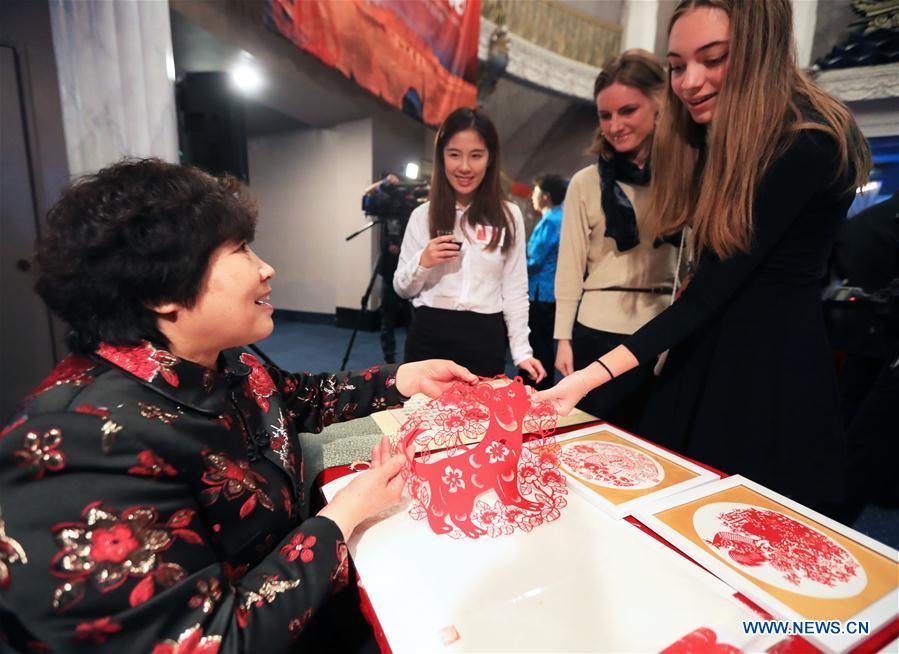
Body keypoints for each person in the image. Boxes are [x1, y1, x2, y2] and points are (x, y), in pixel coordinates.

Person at [0, 159, 477, 652]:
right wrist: (345, 514)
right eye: (241, 250)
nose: (266, 268)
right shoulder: (81, 444)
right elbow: (211, 641)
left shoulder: (223, 361)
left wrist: (404, 378)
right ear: (163, 291)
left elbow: (300, 398)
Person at [538, 0, 871, 521]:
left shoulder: (805, 142)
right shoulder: (720, 139)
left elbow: (707, 294)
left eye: (713, 59)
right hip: (702, 352)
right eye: (676, 66)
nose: (690, 82)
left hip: (762, 377)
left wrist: (585, 378)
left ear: (761, 46)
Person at [553, 50, 676, 430]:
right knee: (592, 439)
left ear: (659, 103)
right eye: (605, 115)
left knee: (656, 442)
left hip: (662, 329)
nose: (615, 125)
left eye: (628, 110)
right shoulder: (585, 183)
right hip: (597, 331)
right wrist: (562, 338)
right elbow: (569, 267)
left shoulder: (684, 177)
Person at [393, 107, 546, 382]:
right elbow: (402, 288)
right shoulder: (422, 215)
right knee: (422, 410)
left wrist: (522, 351)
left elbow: (514, 289)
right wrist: (423, 261)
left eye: (476, 155)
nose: (464, 167)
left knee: (482, 409)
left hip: (484, 337)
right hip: (429, 335)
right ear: (441, 157)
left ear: (490, 158)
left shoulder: (509, 215)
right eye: (454, 154)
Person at [520, 173, 567, 391]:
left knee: (537, 345)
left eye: (536, 191)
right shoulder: (562, 217)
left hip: (540, 292)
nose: (532, 196)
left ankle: (534, 388)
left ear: (546, 196)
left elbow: (534, 259)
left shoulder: (550, 221)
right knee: (544, 343)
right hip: (551, 291)